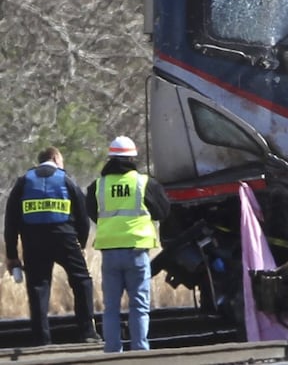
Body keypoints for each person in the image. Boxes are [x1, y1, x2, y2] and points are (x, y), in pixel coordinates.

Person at [3, 146, 101, 346]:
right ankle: (87, 332)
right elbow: (83, 217)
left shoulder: (23, 182)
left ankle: (41, 339)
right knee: (82, 281)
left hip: (33, 241)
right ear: (56, 158)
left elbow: (10, 222)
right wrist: (80, 243)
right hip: (64, 238)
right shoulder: (66, 180)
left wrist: (12, 255)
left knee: (38, 287)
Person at [85, 136, 170, 353]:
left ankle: (112, 351)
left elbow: (93, 213)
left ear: (110, 158)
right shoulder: (143, 183)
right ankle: (140, 350)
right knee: (139, 306)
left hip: (110, 254)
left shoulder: (98, 185)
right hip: (136, 252)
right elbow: (163, 211)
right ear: (133, 158)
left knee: (111, 307)